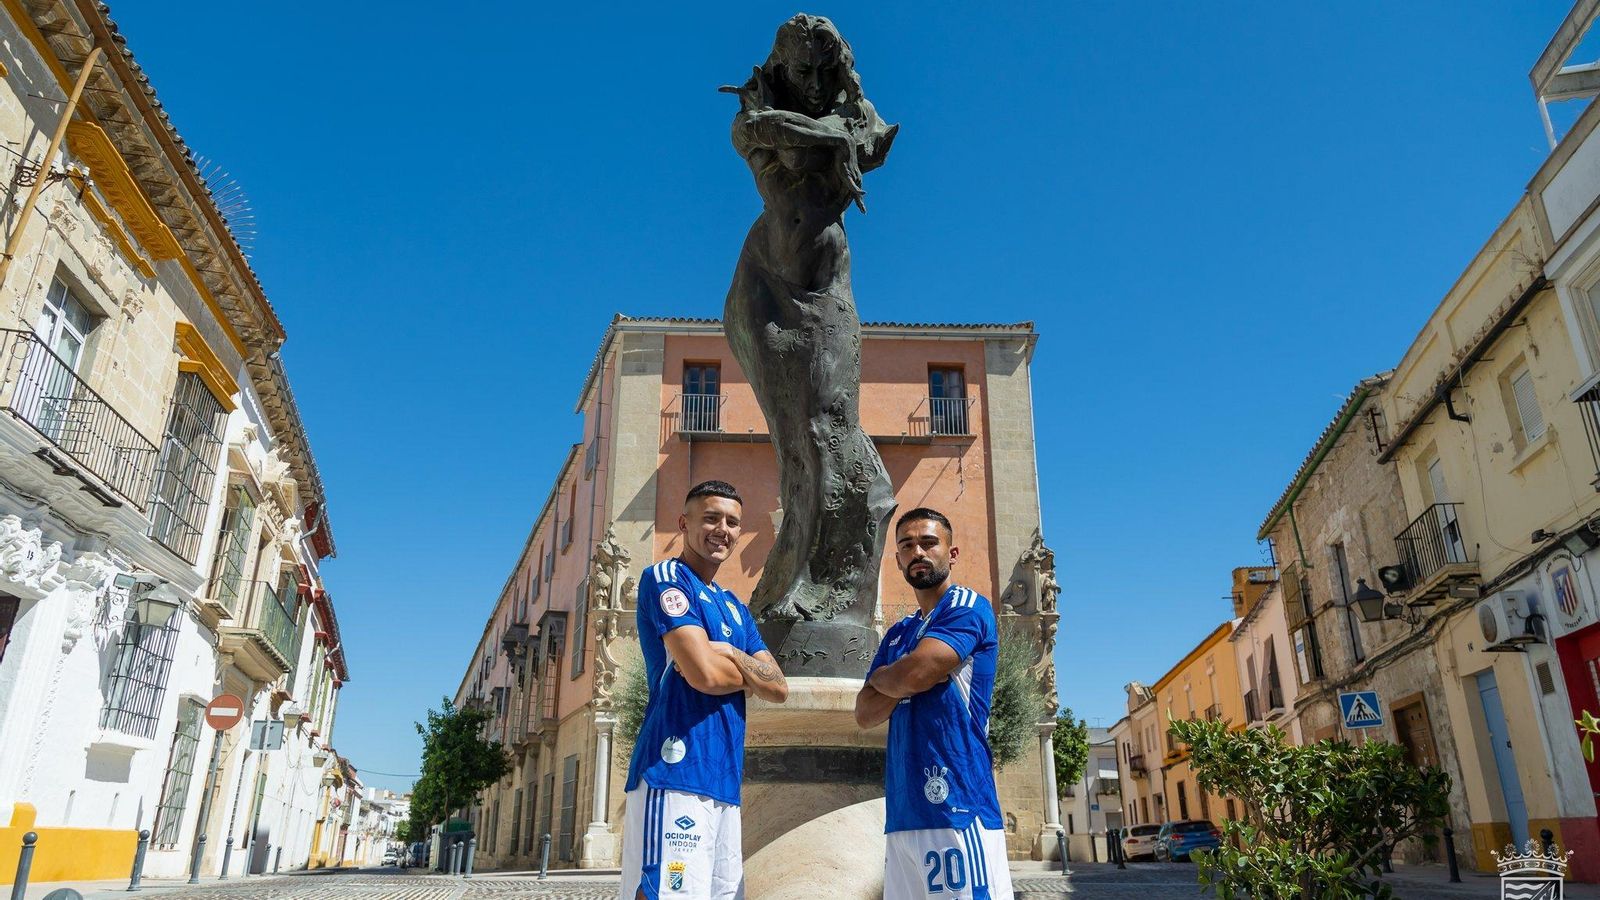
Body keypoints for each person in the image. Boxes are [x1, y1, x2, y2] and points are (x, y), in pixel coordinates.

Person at [618, 480, 790, 900]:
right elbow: (704, 676)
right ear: (684, 523)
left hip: (723, 778)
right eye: (711, 518)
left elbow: (779, 687)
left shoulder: (735, 607)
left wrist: (729, 651)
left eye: (732, 522)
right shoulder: (667, 579)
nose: (722, 530)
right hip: (673, 769)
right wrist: (749, 674)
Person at [855, 507, 1013, 900]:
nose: (918, 552)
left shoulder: (967, 607)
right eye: (907, 546)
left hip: (958, 807)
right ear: (898, 560)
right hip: (904, 815)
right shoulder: (899, 632)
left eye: (929, 542)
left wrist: (890, 678)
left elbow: (917, 673)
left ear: (952, 553)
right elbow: (865, 713)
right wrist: (898, 677)